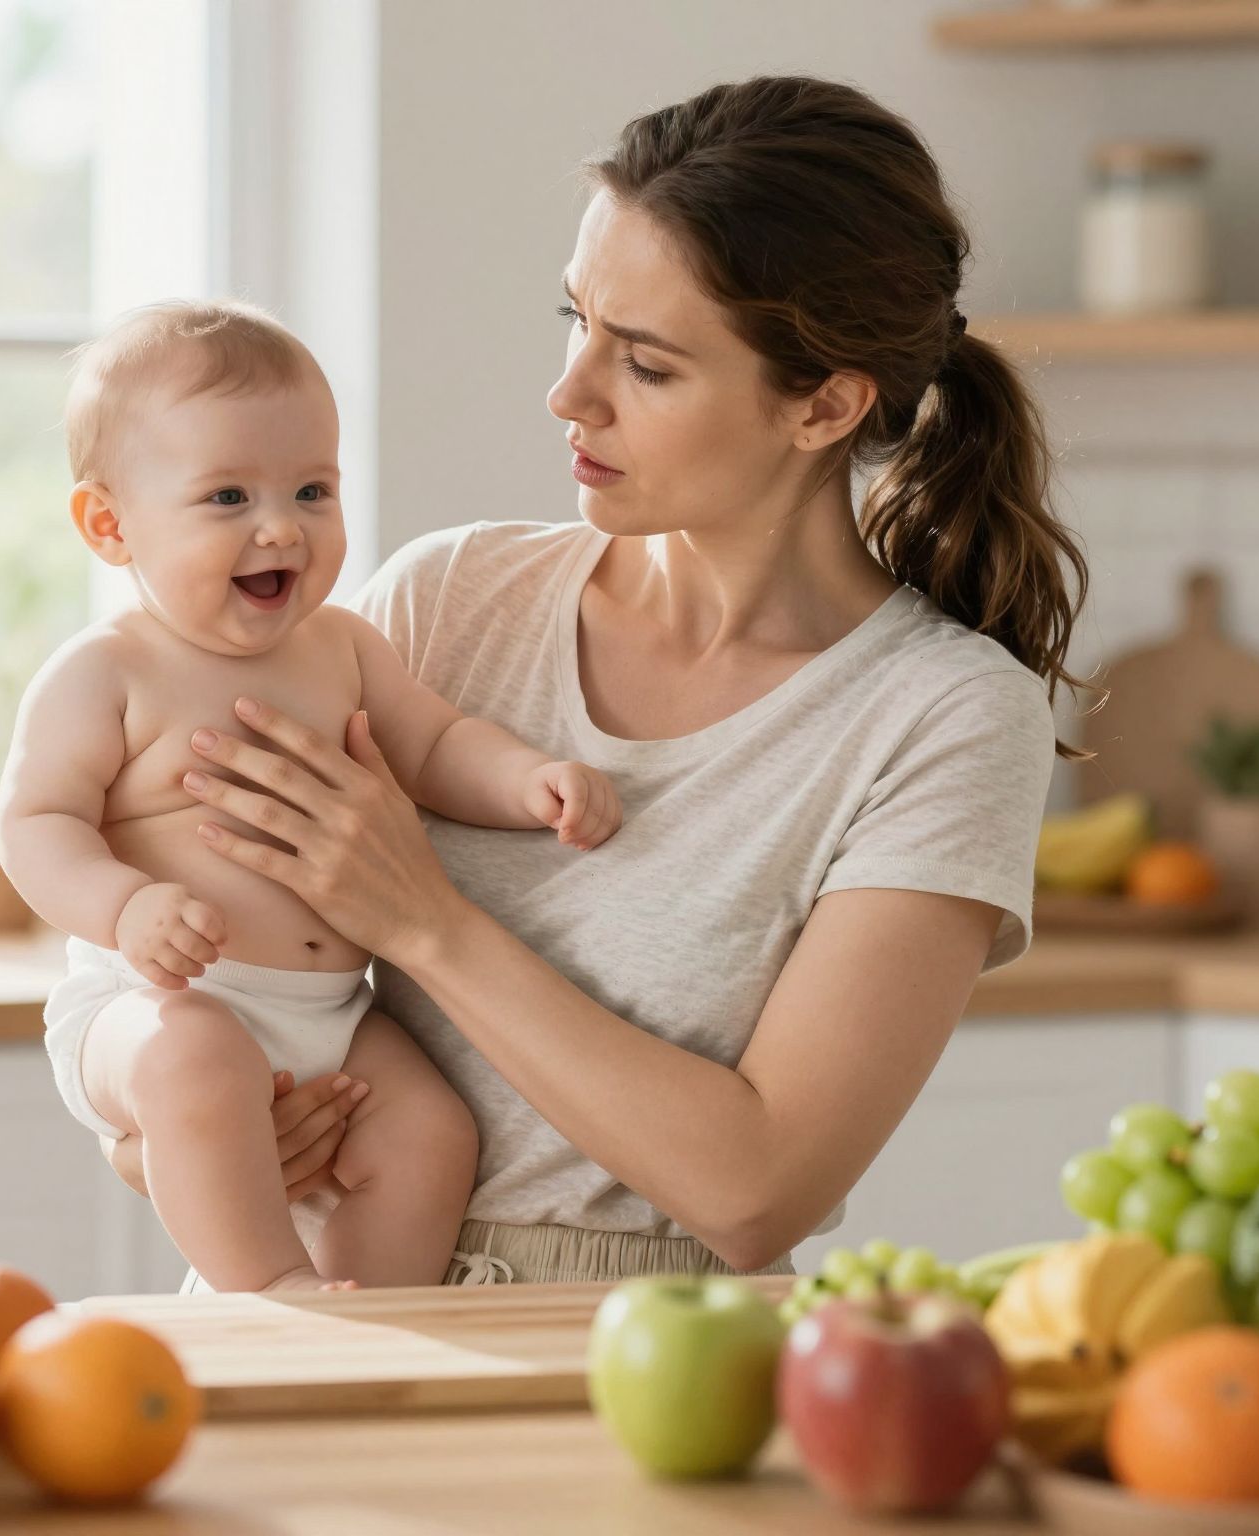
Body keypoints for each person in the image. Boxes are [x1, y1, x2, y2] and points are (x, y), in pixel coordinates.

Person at [125, 74, 1092, 1286]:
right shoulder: (446, 603)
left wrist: (423, 919)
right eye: (573, 319)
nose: (566, 393)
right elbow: (178, 928)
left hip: (648, 1374)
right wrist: (177, 1123)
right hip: (319, 1301)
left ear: (823, 405)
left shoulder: (940, 719)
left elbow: (755, 1188)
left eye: (642, 364)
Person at [0, 300, 623, 1292]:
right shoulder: (104, 673)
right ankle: (270, 1298)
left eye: (311, 489)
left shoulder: (343, 646)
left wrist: (524, 779)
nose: (280, 526)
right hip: (156, 1004)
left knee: (429, 1130)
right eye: (227, 498)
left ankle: (376, 1314)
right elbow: (33, 825)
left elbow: (433, 743)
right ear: (110, 525)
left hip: (334, 1008)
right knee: (195, 1066)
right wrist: (126, 906)